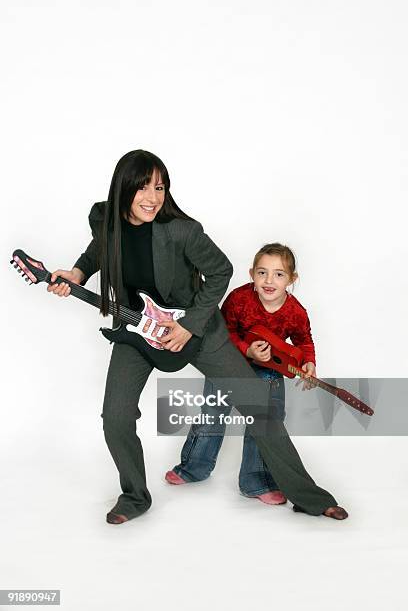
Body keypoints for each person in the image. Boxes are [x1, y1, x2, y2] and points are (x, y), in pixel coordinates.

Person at [47, 149, 348, 523]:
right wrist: (77, 274)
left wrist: (189, 323)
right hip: (139, 330)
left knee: (258, 407)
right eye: (142, 188)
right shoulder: (106, 221)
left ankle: (310, 497)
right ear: (123, 189)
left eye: (159, 187)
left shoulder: (181, 231)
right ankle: (135, 497)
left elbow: (220, 270)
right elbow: (100, 249)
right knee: (116, 416)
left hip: (198, 329)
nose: (153, 198)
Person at [166, 243, 317, 506]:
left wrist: (309, 363)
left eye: (279, 274)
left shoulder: (296, 312)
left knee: (265, 424)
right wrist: (247, 351)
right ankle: (193, 467)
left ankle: (255, 480)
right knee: (212, 415)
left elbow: (304, 341)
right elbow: (221, 333)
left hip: (269, 372)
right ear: (251, 274)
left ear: (292, 279)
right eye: (262, 273)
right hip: (227, 364)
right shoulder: (239, 299)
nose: (269, 280)